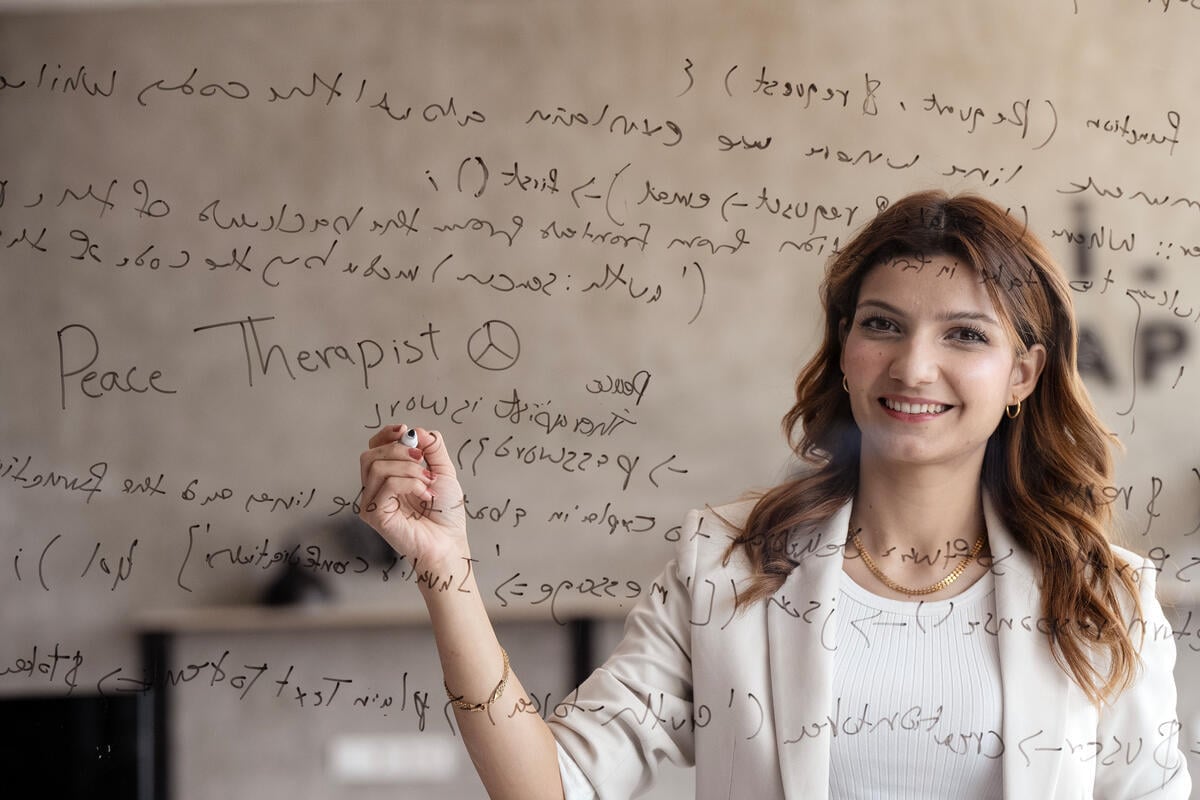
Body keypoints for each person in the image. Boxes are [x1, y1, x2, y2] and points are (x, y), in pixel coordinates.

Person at [357, 190, 1190, 799]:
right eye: (882, 323)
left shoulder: (1105, 596)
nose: (913, 366)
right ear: (845, 348)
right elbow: (546, 788)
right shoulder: (723, 565)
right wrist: (447, 571)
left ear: (1023, 374)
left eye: (964, 334)